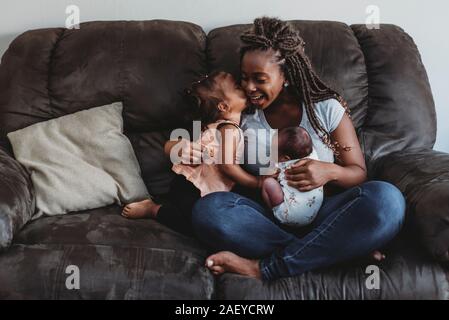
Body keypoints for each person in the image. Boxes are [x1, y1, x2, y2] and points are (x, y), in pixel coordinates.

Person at [188, 17, 405, 280]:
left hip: (325, 211)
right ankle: (339, 250)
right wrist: (177, 146)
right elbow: (203, 142)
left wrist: (329, 172)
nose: (248, 88)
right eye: (244, 78)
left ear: (286, 76)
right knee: (209, 211)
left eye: (259, 79)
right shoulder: (242, 116)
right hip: (269, 217)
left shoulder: (325, 109)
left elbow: (358, 173)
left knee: (387, 200)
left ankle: (264, 267)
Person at [121, 71, 275, 235]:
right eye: (237, 87)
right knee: (194, 226)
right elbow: (227, 165)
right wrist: (257, 183)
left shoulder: (213, 126)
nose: (245, 88)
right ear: (223, 106)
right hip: (196, 189)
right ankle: (154, 210)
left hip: (187, 183)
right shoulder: (229, 129)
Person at [262, 126, 323, 227]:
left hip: (288, 215)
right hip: (311, 216)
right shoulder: (315, 158)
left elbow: (269, 173)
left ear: (286, 158)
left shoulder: (284, 165)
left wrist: (265, 173)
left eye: (273, 151)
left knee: (268, 182)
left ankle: (273, 212)